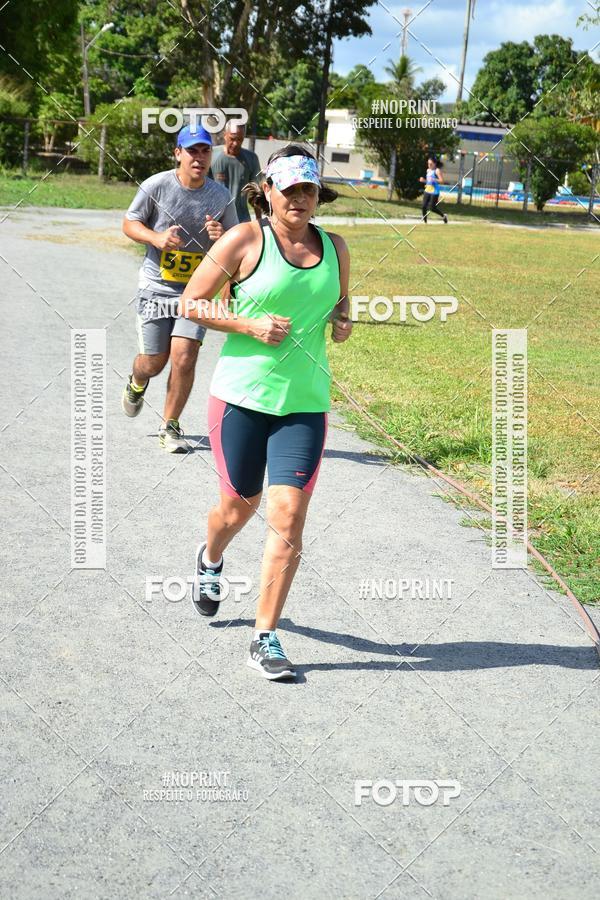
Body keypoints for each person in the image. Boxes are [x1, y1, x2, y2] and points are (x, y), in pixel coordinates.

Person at [178, 145, 352, 680]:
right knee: (237, 509)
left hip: (304, 403)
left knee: (288, 517)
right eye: (290, 189)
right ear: (267, 192)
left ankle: (265, 637)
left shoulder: (336, 246)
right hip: (241, 399)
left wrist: (343, 319)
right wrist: (248, 325)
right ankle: (210, 559)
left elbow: (339, 301)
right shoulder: (245, 239)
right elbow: (192, 302)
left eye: (309, 190)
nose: (300, 199)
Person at [121, 123, 239, 452]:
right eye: (192, 150)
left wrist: (222, 239)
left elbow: (239, 242)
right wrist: (157, 238)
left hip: (195, 293)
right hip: (156, 287)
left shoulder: (220, 196)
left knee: (185, 356)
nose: (199, 157)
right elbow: (129, 223)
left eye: (205, 150)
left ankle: (170, 425)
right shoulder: (156, 186)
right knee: (154, 362)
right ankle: (137, 381)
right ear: (178, 154)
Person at [210, 120, 261, 223]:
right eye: (232, 139)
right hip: (216, 220)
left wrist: (259, 221)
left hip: (241, 220)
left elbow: (255, 193)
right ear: (225, 135)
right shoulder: (211, 155)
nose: (236, 143)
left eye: (240, 139)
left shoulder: (251, 159)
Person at [419, 156, 448, 224]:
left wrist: (434, 179)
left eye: (431, 164)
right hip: (427, 190)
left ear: (435, 164)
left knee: (432, 208)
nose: (429, 165)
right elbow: (429, 181)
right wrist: (423, 181)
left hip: (434, 192)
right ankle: (425, 222)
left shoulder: (437, 170)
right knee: (423, 206)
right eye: (428, 164)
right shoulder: (428, 170)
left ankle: (443, 216)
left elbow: (442, 181)